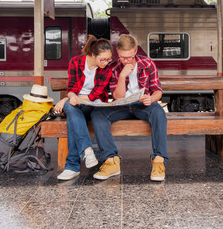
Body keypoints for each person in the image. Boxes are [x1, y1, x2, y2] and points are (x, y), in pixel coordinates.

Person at [91, 34, 168, 182]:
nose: (126, 60)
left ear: (135, 50)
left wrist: (151, 98)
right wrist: (122, 76)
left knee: (158, 112)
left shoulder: (147, 63)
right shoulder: (113, 66)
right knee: (98, 113)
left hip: (142, 106)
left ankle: (158, 160)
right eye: (122, 57)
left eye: (129, 57)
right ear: (117, 52)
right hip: (122, 106)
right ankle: (111, 161)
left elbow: (157, 90)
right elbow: (118, 97)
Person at [54, 35, 113, 181]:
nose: (106, 63)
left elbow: (94, 95)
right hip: (77, 105)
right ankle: (87, 150)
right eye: (103, 59)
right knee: (73, 113)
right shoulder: (76, 62)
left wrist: (68, 99)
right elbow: (72, 87)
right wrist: (70, 97)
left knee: (71, 111)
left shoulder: (107, 70)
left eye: (108, 59)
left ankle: (72, 166)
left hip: (94, 106)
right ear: (93, 55)